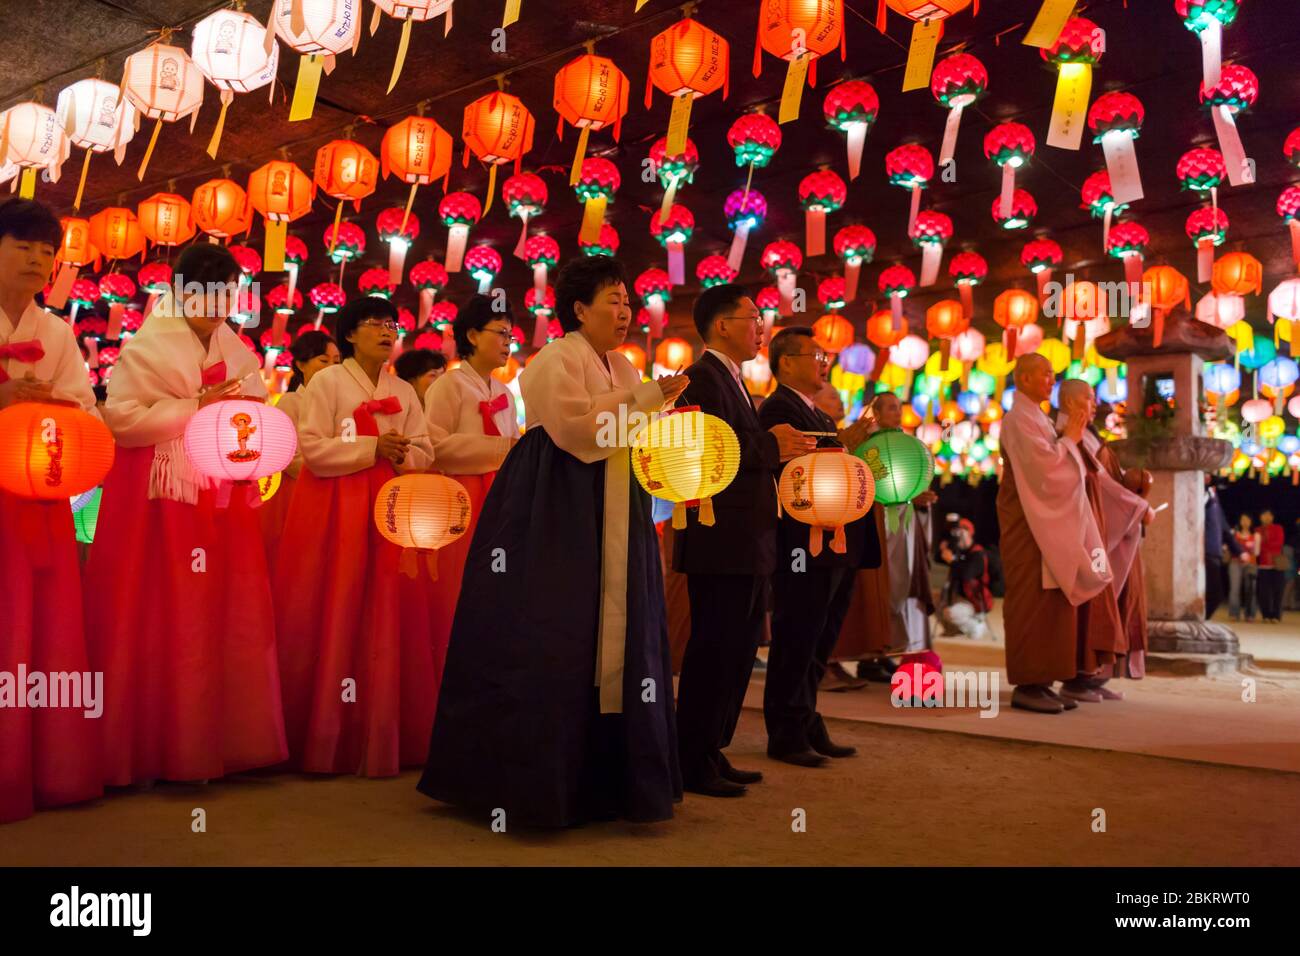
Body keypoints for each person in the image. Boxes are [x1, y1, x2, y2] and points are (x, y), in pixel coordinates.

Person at [418, 256, 689, 827]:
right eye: (611, 302)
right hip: (554, 499)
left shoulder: (623, 365)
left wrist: (658, 414)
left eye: (627, 302)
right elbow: (575, 431)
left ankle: (610, 782)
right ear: (578, 309)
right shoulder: (550, 360)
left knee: (620, 629)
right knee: (551, 627)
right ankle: (531, 783)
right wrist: (645, 402)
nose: (624, 313)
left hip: (617, 498)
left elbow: (626, 430)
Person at [86, 242, 287, 785]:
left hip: (220, 491)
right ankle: (156, 746)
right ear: (180, 292)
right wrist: (193, 409)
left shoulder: (238, 351)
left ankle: (219, 739)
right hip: (159, 493)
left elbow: (254, 410)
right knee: (160, 606)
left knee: (226, 606)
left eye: (226, 290)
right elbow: (121, 420)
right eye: (205, 289)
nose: (217, 301)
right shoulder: (147, 347)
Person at [273, 297, 437, 777]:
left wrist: (403, 453)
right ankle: (327, 735)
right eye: (375, 324)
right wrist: (371, 447)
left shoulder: (403, 390)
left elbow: (427, 449)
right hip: (335, 507)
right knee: (336, 603)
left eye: (392, 324)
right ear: (349, 333)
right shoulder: (325, 382)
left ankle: (383, 729)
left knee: (387, 606)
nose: (387, 332)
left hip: (391, 505)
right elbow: (314, 450)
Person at [673, 285, 815, 797]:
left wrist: (773, 446)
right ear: (722, 326)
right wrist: (770, 443)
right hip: (719, 538)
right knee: (714, 649)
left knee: (737, 651)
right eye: (753, 317)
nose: (761, 327)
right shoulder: (699, 379)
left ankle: (712, 748)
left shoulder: (733, 380)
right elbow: (707, 451)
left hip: (748, 537)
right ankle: (691, 758)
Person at [0, 198, 103, 823]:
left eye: (47, 251)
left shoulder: (57, 332)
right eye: (22, 247)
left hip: (35, 496)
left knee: (36, 627)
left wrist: (57, 408)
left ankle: (33, 765)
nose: (38, 261)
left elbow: (85, 409)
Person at [757, 327, 879, 766]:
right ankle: (786, 732)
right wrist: (840, 444)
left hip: (834, 541)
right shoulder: (778, 409)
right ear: (786, 362)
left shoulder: (819, 415)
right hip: (801, 545)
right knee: (796, 636)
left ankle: (807, 719)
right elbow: (788, 468)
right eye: (816, 354)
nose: (824, 363)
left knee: (820, 637)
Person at [996, 354, 1114, 714]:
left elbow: (1057, 464)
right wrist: (1071, 440)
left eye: (1052, 374)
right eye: (1044, 374)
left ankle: (1044, 680)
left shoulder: (1039, 419)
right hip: (1028, 524)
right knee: (1032, 602)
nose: (1051, 380)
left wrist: (1067, 439)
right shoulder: (1019, 419)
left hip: (1045, 523)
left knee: (1051, 603)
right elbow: (1045, 470)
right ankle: (1028, 684)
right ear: (1024, 378)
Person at [422, 294, 519, 726]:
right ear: (472, 335)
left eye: (511, 335)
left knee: (497, 596)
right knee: (457, 593)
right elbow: (435, 447)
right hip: (459, 497)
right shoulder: (449, 385)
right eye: (500, 333)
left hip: (498, 499)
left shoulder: (503, 392)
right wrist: (501, 449)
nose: (508, 343)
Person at [1055, 378, 1151, 702]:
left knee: (1114, 601)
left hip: (1106, 526)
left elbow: (1107, 482)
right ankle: (1077, 678)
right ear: (1069, 402)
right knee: (1092, 605)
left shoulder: (1088, 435)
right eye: (1089, 398)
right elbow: (1099, 484)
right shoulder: (1067, 436)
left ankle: (1095, 676)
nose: (1095, 404)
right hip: (1086, 531)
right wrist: (1138, 506)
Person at [855, 391, 938, 680]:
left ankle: (889, 650)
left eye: (899, 407)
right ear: (875, 413)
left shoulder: (908, 446)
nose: (897, 412)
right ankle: (870, 655)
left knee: (902, 587)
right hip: (879, 525)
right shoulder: (869, 447)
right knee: (883, 587)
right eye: (890, 407)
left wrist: (919, 497)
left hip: (904, 524)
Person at [260, 329, 339, 563]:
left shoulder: (340, 407)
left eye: (337, 362)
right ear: (301, 365)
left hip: (329, 494)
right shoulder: (291, 402)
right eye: (323, 360)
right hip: (296, 494)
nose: (331, 367)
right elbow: (289, 457)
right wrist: (335, 464)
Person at [938, 518, 1001, 641]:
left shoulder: (978, 554)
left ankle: (976, 626)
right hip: (959, 599)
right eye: (956, 533)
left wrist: (952, 561)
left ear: (969, 533)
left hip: (974, 601)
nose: (959, 536)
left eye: (962, 532)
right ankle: (955, 630)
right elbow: (938, 558)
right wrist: (943, 549)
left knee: (949, 613)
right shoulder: (959, 551)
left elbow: (966, 574)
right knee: (934, 604)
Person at [1203, 478, 1241, 619]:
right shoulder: (1202, 493)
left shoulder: (1213, 497)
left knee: (1215, 593)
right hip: (1203, 551)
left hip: (1213, 551)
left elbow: (1224, 527)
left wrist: (1238, 550)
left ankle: (1202, 619)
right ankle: (1200, 620)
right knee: (1214, 593)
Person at [1228, 513, 1259, 622]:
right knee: (1234, 589)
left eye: (1247, 520)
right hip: (1235, 563)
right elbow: (1229, 547)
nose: (1245, 522)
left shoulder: (1255, 535)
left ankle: (1250, 614)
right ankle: (1234, 614)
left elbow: (1257, 552)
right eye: (1243, 519)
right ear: (1240, 521)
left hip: (1250, 564)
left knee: (1250, 589)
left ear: (1251, 522)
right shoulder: (1234, 533)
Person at [1256, 509, 1286, 623]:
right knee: (1264, 592)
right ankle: (1266, 615)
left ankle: (1276, 616)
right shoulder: (1257, 530)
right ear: (1260, 517)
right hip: (1263, 565)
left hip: (1277, 564)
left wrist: (1264, 545)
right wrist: (1265, 545)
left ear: (1272, 517)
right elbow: (1256, 548)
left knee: (1278, 591)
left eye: (1269, 515)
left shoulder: (1278, 528)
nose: (1267, 517)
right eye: (1264, 515)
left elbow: (1279, 543)